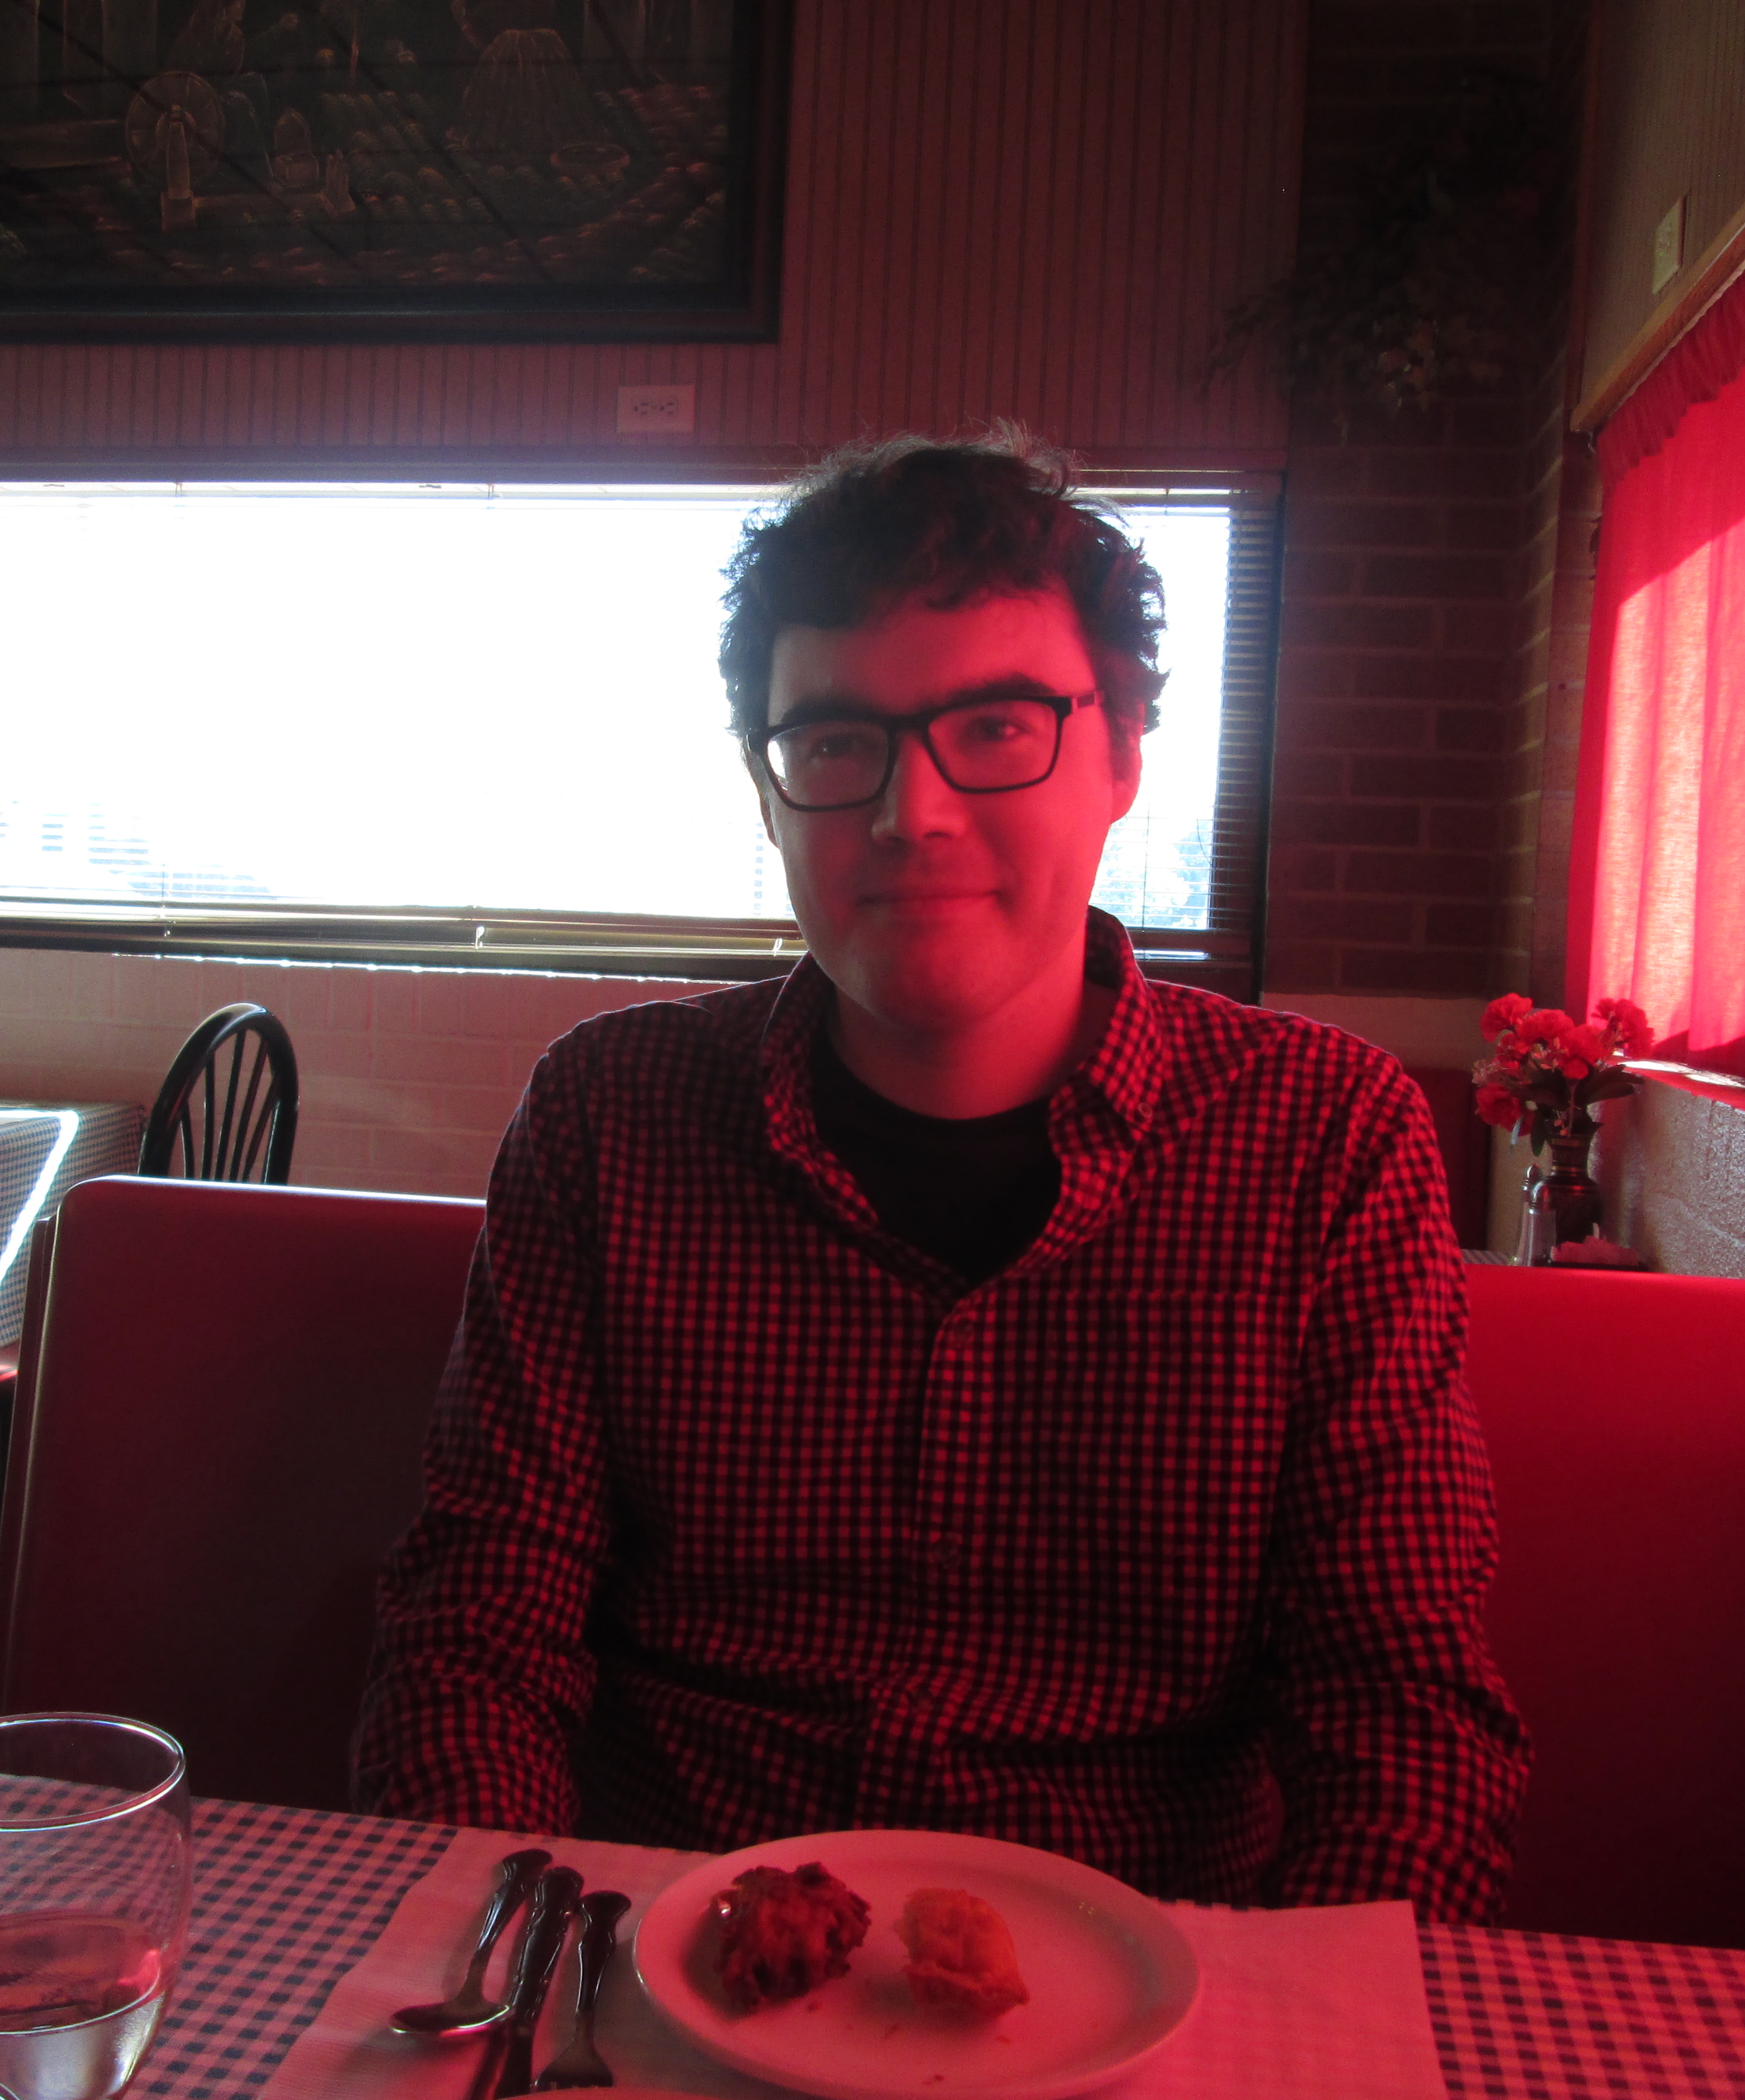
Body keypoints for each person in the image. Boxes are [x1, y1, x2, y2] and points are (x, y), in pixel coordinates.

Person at [353, 430, 1530, 1922]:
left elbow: (1401, 1713)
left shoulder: (1324, 1140)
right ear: (770, 792)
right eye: (837, 743)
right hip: (660, 1951)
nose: (909, 813)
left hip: (1149, 1974)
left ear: (1122, 758)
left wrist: (1297, 2026)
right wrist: (511, 1968)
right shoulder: (608, 1115)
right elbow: (479, 1634)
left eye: (994, 726)